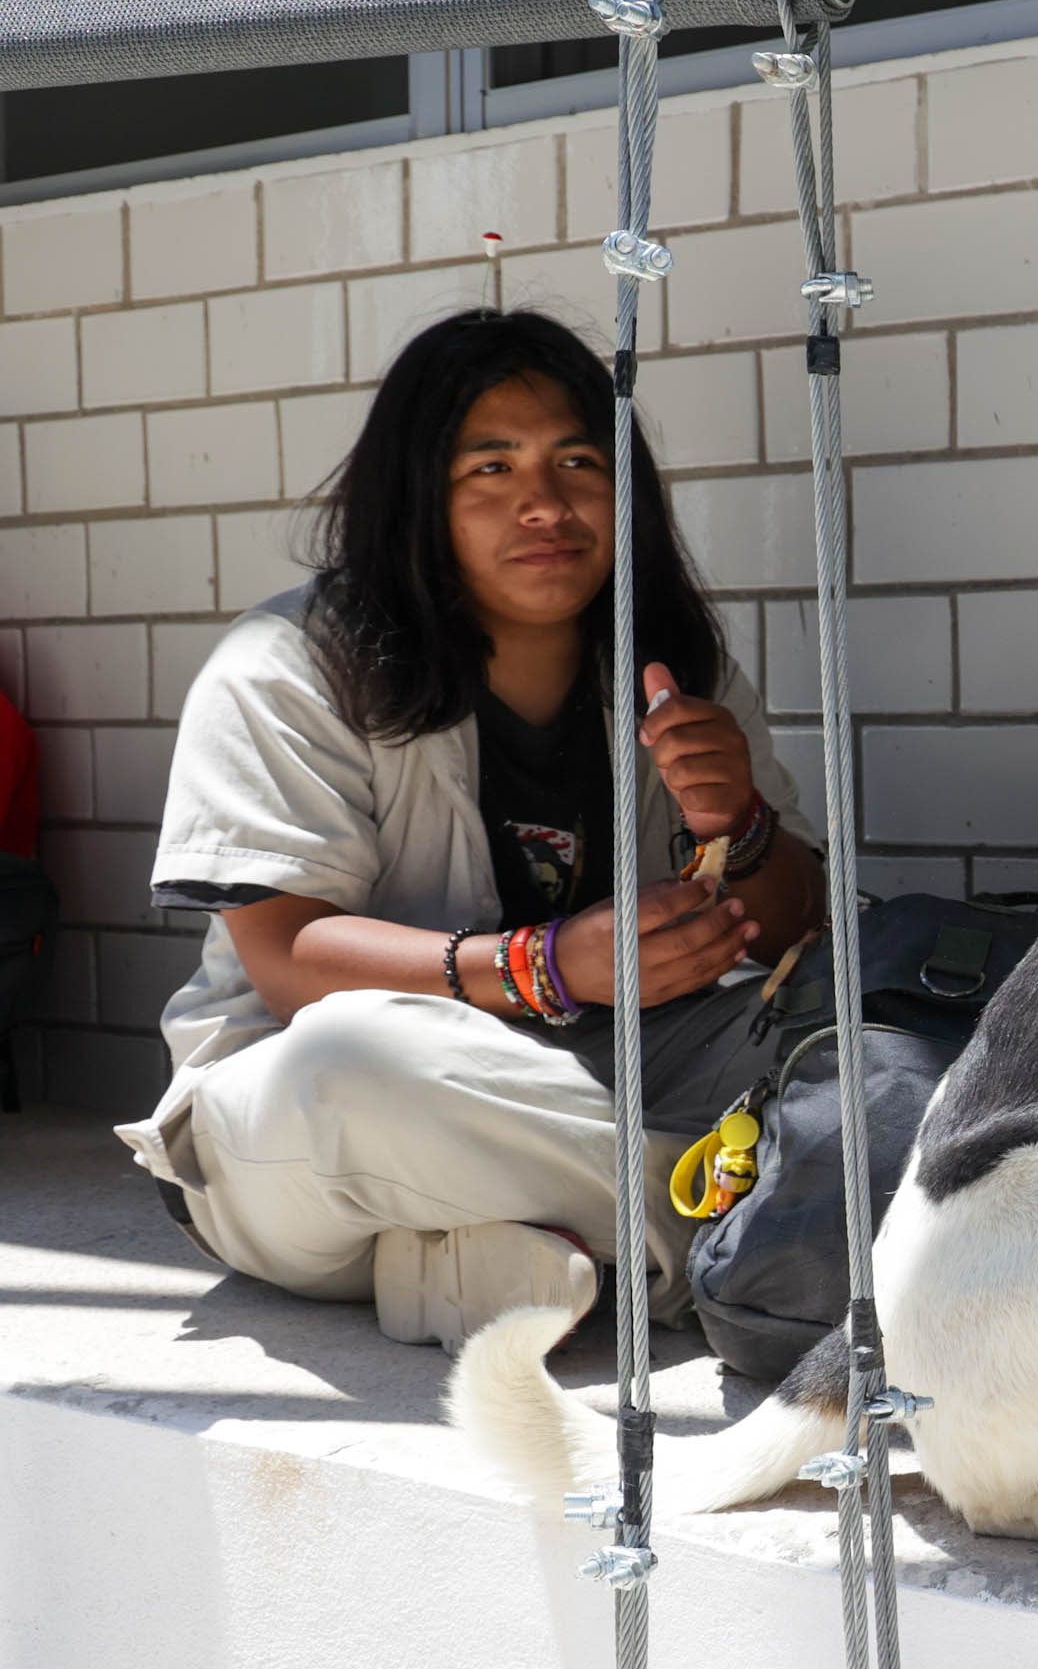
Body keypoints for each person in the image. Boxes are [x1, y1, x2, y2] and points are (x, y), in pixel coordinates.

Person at [117, 309, 826, 1353]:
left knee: (854, 1018)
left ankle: (495, 1253)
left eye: (578, 460)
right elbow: (285, 963)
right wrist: (549, 966)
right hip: (325, 1121)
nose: (544, 503)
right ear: (418, 496)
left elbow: (790, 934)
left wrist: (744, 827)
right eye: (490, 467)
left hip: (594, 1073)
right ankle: (766, 1229)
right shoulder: (287, 662)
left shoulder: (676, 670)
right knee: (355, 1062)